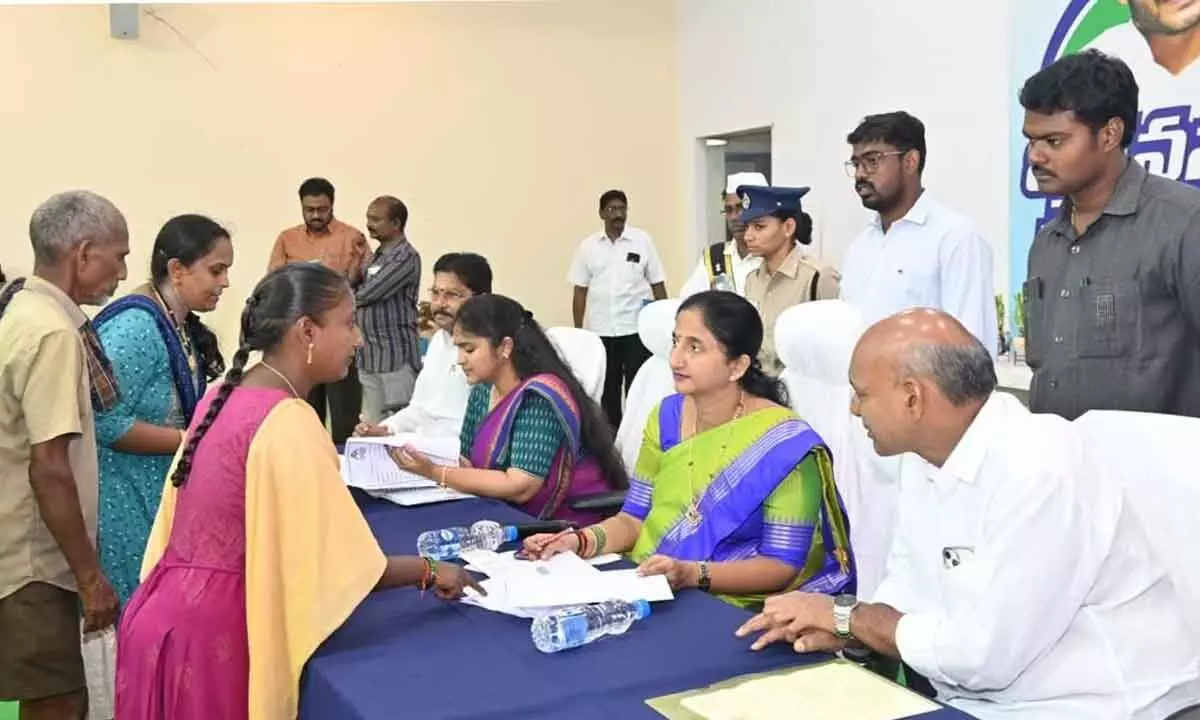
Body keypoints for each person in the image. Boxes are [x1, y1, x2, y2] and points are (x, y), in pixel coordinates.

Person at [737, 308, 1200, 720]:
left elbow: (986, 657)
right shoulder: (925, 456)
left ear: (913, 398)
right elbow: (906, 592)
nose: (854, 409)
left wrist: (849, 619)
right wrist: (850, 633)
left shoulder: (1040, 466)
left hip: (1096, 705)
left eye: (861, 394)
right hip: (977, 698)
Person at [114, 263, 480, 720]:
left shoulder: (221, 395)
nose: (358, 340)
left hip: (159, 617)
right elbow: (339, 564)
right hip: (218, 637)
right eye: (348, 324)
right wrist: (429, 568)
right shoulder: (289, 420)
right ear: (307, 331)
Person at [522, 291, 854, 610]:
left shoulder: (784, 445)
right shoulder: (666, 416)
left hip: (733, 604)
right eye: (675, 341)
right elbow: (634, 518)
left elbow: (782, 564)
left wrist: (693, 574)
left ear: (737, 366)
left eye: (695, 347)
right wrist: (579, 542)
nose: (676, 358)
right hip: (650, 581)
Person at [0, 190, 127, 719]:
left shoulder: (22, 312)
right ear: (83, 253)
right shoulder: (53, 333)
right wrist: (88, 576)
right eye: (117, 256)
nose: (122, 272)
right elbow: (50, 468)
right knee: (58, 699)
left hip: (24, 545)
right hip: (37, 560)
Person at [1020, 50, 1200, 420]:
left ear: (1109, 134)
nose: (1035, 157)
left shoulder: (1183, 223)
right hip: (1063, 469)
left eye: (1053, 141)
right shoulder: (1047, 242)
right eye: (1031, 141)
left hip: (1158, 472)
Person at [93, 214, 233, 606]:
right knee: (140, 615)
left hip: (155, 495)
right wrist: (190, 441)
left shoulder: (178, 324)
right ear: (177, 270)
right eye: (216, 270)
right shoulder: (136, 328)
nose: (225, 282)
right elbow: (103, 421)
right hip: (124, 501)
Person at [390, 294, 627, 524]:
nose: (460, 359)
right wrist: (408, 451)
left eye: (469, 349)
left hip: (561, 524)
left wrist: (435, 472)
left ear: (504, 347)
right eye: (458, 349)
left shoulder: (538, 397)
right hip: (502, 511)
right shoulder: (483, 391)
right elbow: (466, 461)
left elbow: (521, 486)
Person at [839, 111, 998, 356]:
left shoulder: (955, 238)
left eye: (872, 161)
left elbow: (974, 350)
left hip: (923, 393)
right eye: (857, 164)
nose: (860, 174)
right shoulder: (860, 245)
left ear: (910, 161)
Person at [268, 177, 370, 444]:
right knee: (303, 412)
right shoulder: (287, 239)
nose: (315, 215)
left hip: (338, 338)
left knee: (345, 414)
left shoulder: (351, 237)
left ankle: (346, 474)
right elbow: (275, 281)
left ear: (332, 205)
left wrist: (357, 266)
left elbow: (368, 283)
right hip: (300, 341)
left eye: (321, 209)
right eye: (309, 209)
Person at [354, 252, 492, 439]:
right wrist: (386, 429)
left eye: (452, 295)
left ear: (481, 298)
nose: (440, 304)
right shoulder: (438, 341)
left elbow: (480, 426)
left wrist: (417, 438)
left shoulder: (491, 349)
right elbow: (421, 409)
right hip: (426, 446)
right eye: (436, 293)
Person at [568, 189, 668, 429]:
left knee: (636, 387)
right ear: (601, 213)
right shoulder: (588, 247)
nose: (618, 214)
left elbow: (658, 284)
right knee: (608, 390)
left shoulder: (642, 240)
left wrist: (665, 324)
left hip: (636, 329)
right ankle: (612, 440)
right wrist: (579, 330)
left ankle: (636, 434)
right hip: (603, 331)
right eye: (612, 209)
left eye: (622, 209)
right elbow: (580, 290)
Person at [741, 185, 840, 376]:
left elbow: (835, 346)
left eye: (759, 227)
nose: (748, 236)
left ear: (788, 227)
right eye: (747, 227)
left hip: (803, 390)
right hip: (761, 390)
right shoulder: (752, 280)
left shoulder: (818, 277)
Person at [356, 195, 421, 424]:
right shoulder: (378, 255)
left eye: (375, 219)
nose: (369, 224)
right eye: (368, 218)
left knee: (399, 429)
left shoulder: (405, 256)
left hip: (395, 358)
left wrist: (339, 299)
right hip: (369, 357)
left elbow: (369, 293)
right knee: (372, 426)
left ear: (396, 224)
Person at [679, 172, 766, 298]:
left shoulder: (778, 255)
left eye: (741, 208)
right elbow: (688, 300)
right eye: (729, 210)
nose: (734, 217)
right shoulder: (715, 256)